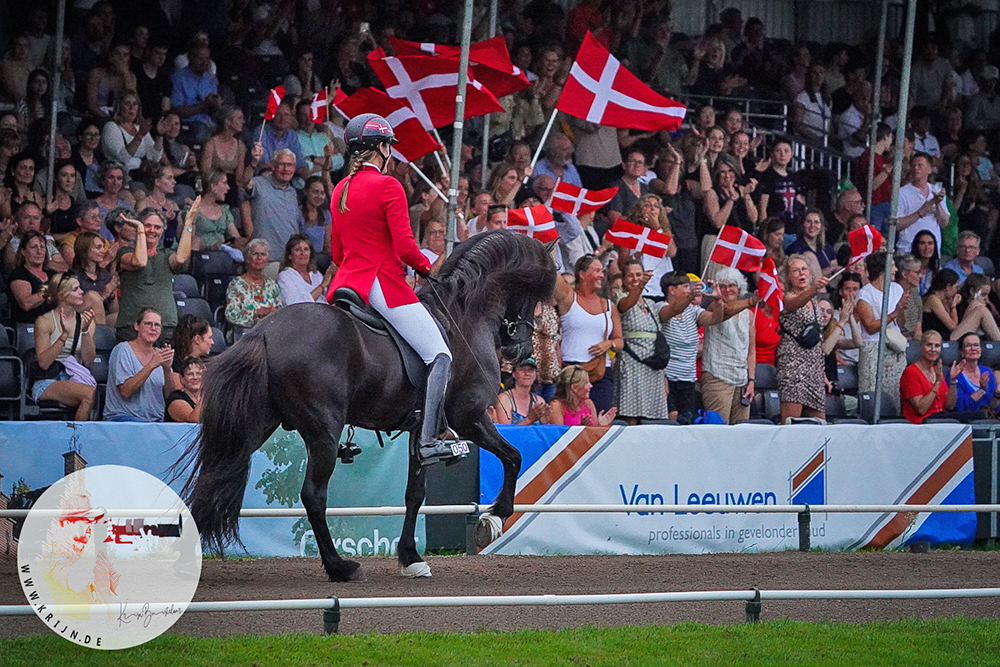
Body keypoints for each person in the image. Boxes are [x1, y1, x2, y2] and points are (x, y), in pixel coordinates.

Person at [326, 113, 465, 464]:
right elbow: (404, 247)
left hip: (345, 285)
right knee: (440, 354)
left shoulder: (340, 189)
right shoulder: (389, 186)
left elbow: (338, 253)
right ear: (383, 148)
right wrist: (426, 266)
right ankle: (430, 440)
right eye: (390, 147)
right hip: (381, 283)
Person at [660, 271, 757, 423]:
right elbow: (674, 310)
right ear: (672, 290)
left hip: (689, 379)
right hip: (669, 377)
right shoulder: (660, 306)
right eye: (686, 286)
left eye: (732, 286)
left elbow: (716, 318)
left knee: (689, 423)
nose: (689, 289)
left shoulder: (693, 311)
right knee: (676, 422)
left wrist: (718, 298)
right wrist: (750, 301)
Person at [553, 254, 624, 415]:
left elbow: (620, 341)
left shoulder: (609, 305)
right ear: (582, 274)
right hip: (571, 371)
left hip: (600, 372)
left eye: (602, 271)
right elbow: (554, 276)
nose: (601, 275)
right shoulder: (569, 297)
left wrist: (609, 344)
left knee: (601, 420)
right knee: (571, 421)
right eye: (597, 271)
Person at [116, 205, 194, 343]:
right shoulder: (124, 252)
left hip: (165, 326)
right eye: (147, 226)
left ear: (162, 231)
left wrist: (188, 224)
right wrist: (140, 230)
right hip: (133, 326)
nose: (152, 230)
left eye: (157, 227)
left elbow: (181, 258)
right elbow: (139, 261)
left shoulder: (166, 256)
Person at [31, 273, 98, 421]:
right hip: (49, 380)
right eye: (76, 289)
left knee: (95, 393)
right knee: (89, 394)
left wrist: (85, 331)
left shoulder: (87, 321)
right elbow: (43, 363)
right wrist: (64, 335)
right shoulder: (44, 321)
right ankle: (76, 439)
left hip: (76, 378)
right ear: (61, 295)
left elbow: (88, 361)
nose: (81, 292)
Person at [614, 259, 669, 424]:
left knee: (654, 417)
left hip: (652, 367)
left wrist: (688, 298)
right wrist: (640, 286)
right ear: (623, 279)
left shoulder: (651, 303)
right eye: (630, 276)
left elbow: (673, 310)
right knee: (631, 415)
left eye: (638, 274)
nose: (635, 278)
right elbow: (627, 304)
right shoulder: (619, 297)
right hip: (631, 364)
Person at [777, 255, 831, 422]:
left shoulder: (815, 301)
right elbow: (794, 304)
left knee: (818, 423)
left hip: (814, 367)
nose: (801, 273)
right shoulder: (786, 297)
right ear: (788, 276)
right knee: (791, 421)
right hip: (793, 366)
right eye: (795, 270)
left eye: (804, 269)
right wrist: (814, 288)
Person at [700, 267, 758, 424]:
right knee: (718, 429)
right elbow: (725, 311)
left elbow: (751, 351)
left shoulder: (749, 314)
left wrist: (751, 381)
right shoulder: (715, 307)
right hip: (717, 376)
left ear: (739, 288)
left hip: (741, 379)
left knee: (740, 432)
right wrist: (750, 301)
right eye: (723, 286)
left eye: (731, 285)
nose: (727, 290)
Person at [854, 252, 908, 415]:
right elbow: (870, 326)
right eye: (892, 266)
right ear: (883, 269)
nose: (896, 269)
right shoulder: (865, 294)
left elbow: (902, 324)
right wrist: (894, 312)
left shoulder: (897, 288)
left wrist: (902, 311)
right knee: (872, 392)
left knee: (895, 394)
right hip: (873, 348)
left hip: (894, 347)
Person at [104, 307, 176, 422]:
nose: (153, 328)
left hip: (156, 422)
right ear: (136, 326)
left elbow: (170, 398)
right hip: (124, 419)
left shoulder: (160, 355)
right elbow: (126, 391)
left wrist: (167, 370)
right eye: (148, 324)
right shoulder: (123, 350)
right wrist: (151, 365)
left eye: (157, 325)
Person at [243, 146, 305, 268]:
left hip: (290, 262)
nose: (286, 169)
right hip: (266, 261)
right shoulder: (259, 183)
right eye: (282, 164)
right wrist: (254, 162)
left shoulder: (292, 192)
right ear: (273, 165)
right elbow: (243, 182)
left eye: (290, 165)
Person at [100, 90, 164, 181]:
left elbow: (154, 158)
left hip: (141, 175)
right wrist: (140, 135)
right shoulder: (111, 127)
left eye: (135, 104)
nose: (131, 108)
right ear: (119, 107)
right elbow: (122, 158)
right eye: (127, 104)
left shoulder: (138, 127)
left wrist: (159, 135)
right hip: (120, 176)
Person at [922, 268, 1000, 341]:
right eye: (956, 287)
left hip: (950, 336)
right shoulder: (933, 299)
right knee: (981, 310)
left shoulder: (943, 300)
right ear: (948, 287)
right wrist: (953, 306)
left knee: (977, 306)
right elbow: (953, 327)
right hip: (941, 339)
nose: (957, 290)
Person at [895, 152, 950, 253]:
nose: (916, 168)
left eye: (920, 165)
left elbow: (944, 223)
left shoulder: (937, 190)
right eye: (914, 165)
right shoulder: (901, 193)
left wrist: (937, 203)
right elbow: (897, 225)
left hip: (932, 250)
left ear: (929, 169)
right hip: (908, 249)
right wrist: (920, 212)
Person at [225, 238, 282, 329]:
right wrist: (257, 313)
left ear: (267, 259)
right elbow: (231, 314)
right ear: (247, 258)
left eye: (263, 254)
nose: (259, 258)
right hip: (245, 335)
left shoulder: (272, 285)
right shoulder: (236, 284)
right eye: (255, 254)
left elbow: (280, 312)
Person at [900, 330, 950, 423]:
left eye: (937, 346)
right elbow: (921, 409)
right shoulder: (911, 372)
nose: (933, 349)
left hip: (941, 418)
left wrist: (954, 382)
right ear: (920, 347)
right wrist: (937, 383)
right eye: (929, 345)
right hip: (922, 422)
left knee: (977, 416)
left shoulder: (937, 370)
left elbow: (949, 406)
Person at [71, 231, 119, 326]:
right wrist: (103, 296)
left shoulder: (106, 276)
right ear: (84, 252)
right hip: (79, 321)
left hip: (101, 319)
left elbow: (114, 309)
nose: (103, 251)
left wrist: (112, 296)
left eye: (103, 247)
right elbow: (73, 308)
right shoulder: (72, 276)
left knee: (119, 317)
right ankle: (100, 338)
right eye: (98, 247)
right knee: (92, 296)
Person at [945, 332, 1000, 415]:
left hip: (987, 420)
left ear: (981, 350)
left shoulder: (987, 371)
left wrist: (997, 394)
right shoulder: (954, 373)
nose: (973, 348)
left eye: (976, 345)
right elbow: (961, 406)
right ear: (961, 352)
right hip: (965, 420)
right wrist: (981, 390)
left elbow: (994, 407)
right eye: (968, 345)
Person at [190, 169, 243, 252]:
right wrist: (211, 247)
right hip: (201, 257)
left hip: (222, 256)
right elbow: (189, 241)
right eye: (224, 183)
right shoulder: (193, 210)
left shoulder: (224, 210)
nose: (228, 188)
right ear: (213, 186)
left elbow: (236, 237)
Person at [10, 230, 56, 323]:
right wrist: (50, 290)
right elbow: (26, 304)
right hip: (29, 325)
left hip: (53, 325)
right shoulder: (19, 274)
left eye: (42, 247)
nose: (39, 251)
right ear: (23, 251)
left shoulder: (52, 274)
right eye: (33, 247)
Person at [549, 364, 617, 426]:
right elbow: (558, 435)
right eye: (586, 383)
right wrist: (580, 428)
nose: (591, 386)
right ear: (574, 387)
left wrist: (601, 425)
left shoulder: (588, 403)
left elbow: (595, 435)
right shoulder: (556, 405)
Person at [277, 234, 335, 305]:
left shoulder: (316, 274)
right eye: (298, 250)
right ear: (290, 256)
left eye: (306, 249)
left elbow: (327, 298)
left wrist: (332, 277)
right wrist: (322, 285)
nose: (303, 253)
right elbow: (294, 305)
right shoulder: (285, 276)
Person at [494, 358, 550, 425]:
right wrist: (530, 419)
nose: (527, 373)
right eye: (522, 370)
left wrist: (545, 423)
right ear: (514, 374)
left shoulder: (539, 400)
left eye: (530, 370)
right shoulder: (504, 399)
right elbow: (506, 432)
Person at [787, 208, 837, 275]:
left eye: (816, 222)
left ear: (821, 226)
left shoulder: (827, 249)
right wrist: (826, 271)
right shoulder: (794, 248)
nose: (812, 225)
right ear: (802, 225)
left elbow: (835, 267)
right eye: (808, 221)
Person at [164, 355, 204, 423]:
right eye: (190, 374)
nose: (195, 377)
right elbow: (194, 419)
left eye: (198, 373)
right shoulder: (176, 398)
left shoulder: (208, 397)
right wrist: (206, 395)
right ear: (182, 379)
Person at [301, 176, 332, 254]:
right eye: (315, 192)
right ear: (306, 192)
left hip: (320, 256)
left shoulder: (326, 214)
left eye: (322, 193)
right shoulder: (297, 212)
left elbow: (327, 245)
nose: (319, 196)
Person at [912, 229, 940, 295]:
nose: (927, 247)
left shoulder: (938, 269)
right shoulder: (909, 267)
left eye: (930, 243)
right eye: (922, 243)